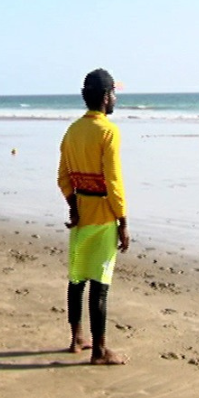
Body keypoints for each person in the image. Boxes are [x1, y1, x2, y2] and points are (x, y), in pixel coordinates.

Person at [57, 68, 130, 365]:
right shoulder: (108, 131)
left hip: (81, 217)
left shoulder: (73, 130)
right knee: (100, 285)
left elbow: (63, 176)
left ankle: (76, 338)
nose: (115, 99)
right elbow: (113, 181)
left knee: (77, 280)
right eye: (113, 93)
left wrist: (73, 205)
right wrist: (123, 221)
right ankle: (99, 351)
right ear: (104, 97)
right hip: (102, 218)